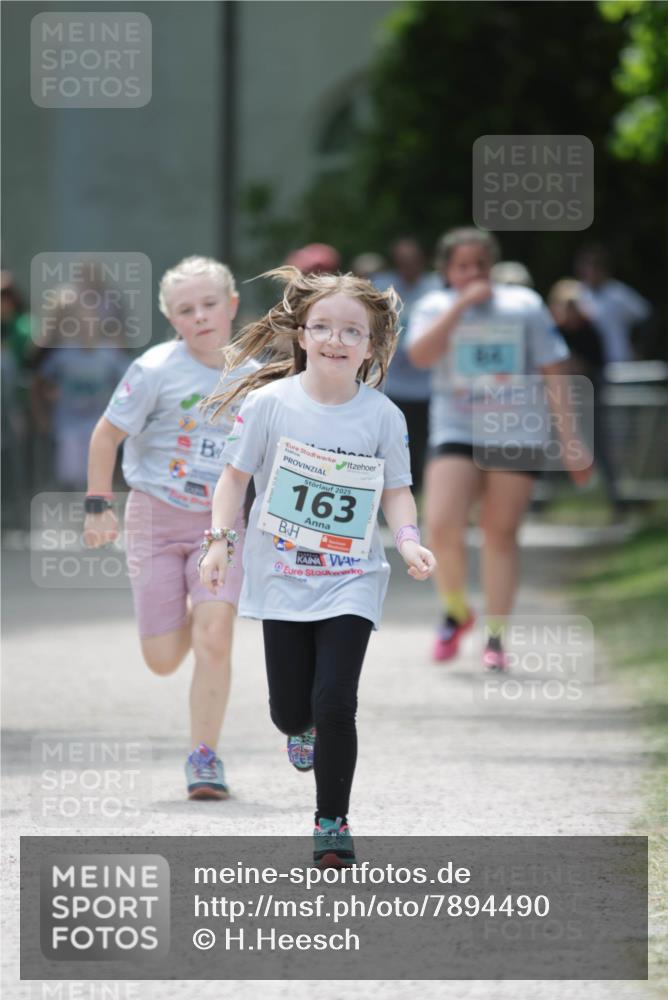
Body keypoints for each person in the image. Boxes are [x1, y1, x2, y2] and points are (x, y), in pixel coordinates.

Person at [198, 266, 435, 866]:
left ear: (371, 345)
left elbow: (397, 490)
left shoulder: (383, 415)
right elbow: (234, 479)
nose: (335, 339)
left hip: (351, 578)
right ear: (301, 335)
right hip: (282, 577)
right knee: (290, 711)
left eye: (351, 331)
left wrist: (407, 540)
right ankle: (298, 730)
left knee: (335, 702)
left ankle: (332, 821)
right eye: (323, 327)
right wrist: (219, 541)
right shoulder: (268, 404)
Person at [84, 256, 252, 800]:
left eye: (209, 305)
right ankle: (189, 606)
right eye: (186, 310)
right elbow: (105, 437)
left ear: (231, 306)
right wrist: (97, 506)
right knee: (161, 660)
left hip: (219, 525)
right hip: (155, 518)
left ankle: (204, 758)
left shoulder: (256, 377)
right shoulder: (154, 370)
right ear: (171, 319)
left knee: (216, 638)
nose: (200, 316)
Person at [407, 227, 591, 670]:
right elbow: (420, 356)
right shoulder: (433, 304)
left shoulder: (523, 306)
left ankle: (496, 636)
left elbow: (553, 370)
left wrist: (571, 441)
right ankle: (455, 610)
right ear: (446, 270)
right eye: (462, 265)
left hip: (516, 431)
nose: (473, 273)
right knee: (441, 524)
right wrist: (460, 308)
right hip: (457, 428)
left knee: (499, 533)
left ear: (492, 266)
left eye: (480, 265)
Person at [372, 238, 441, 494]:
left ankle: (419, 492)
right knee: (392, 442)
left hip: (429, 384)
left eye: (412, 261)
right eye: (402, 262)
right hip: (393, 383)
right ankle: (389, 493)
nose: (408, 267)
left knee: (423, 444)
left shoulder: (436, 288)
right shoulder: (381, 287)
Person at [548, 279, 622, 516]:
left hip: (588, 399)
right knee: (547, 447)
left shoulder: (591, 330)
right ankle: (539, 502)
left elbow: (600, 364)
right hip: (558, 400)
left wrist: (579, 367)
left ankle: (615, 500)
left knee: (600, 446)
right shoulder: (552, 332)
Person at [574, 245, 651, 364]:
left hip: (619, 361)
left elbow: (646, 316)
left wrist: (639, 348)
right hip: (591, 365)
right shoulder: (578, 293)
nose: (589, 271)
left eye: (595, 266)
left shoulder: (618, 293)